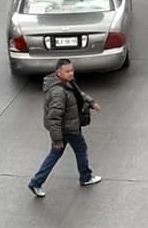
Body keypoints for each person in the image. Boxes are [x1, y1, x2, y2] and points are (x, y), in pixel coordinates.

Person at [27, 59, 102, 198]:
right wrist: (57, 139)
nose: (71, 73)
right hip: (68, 129)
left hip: (66, 129)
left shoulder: (66, 83)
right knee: (81, 150)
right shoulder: (58, 93)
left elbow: (79, 94)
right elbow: (54, 117)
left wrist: (91, 102)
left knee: (55, 155)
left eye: (72, 70)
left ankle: (36, 182)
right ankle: (85, 177)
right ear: (58, 72)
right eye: (67, 71)